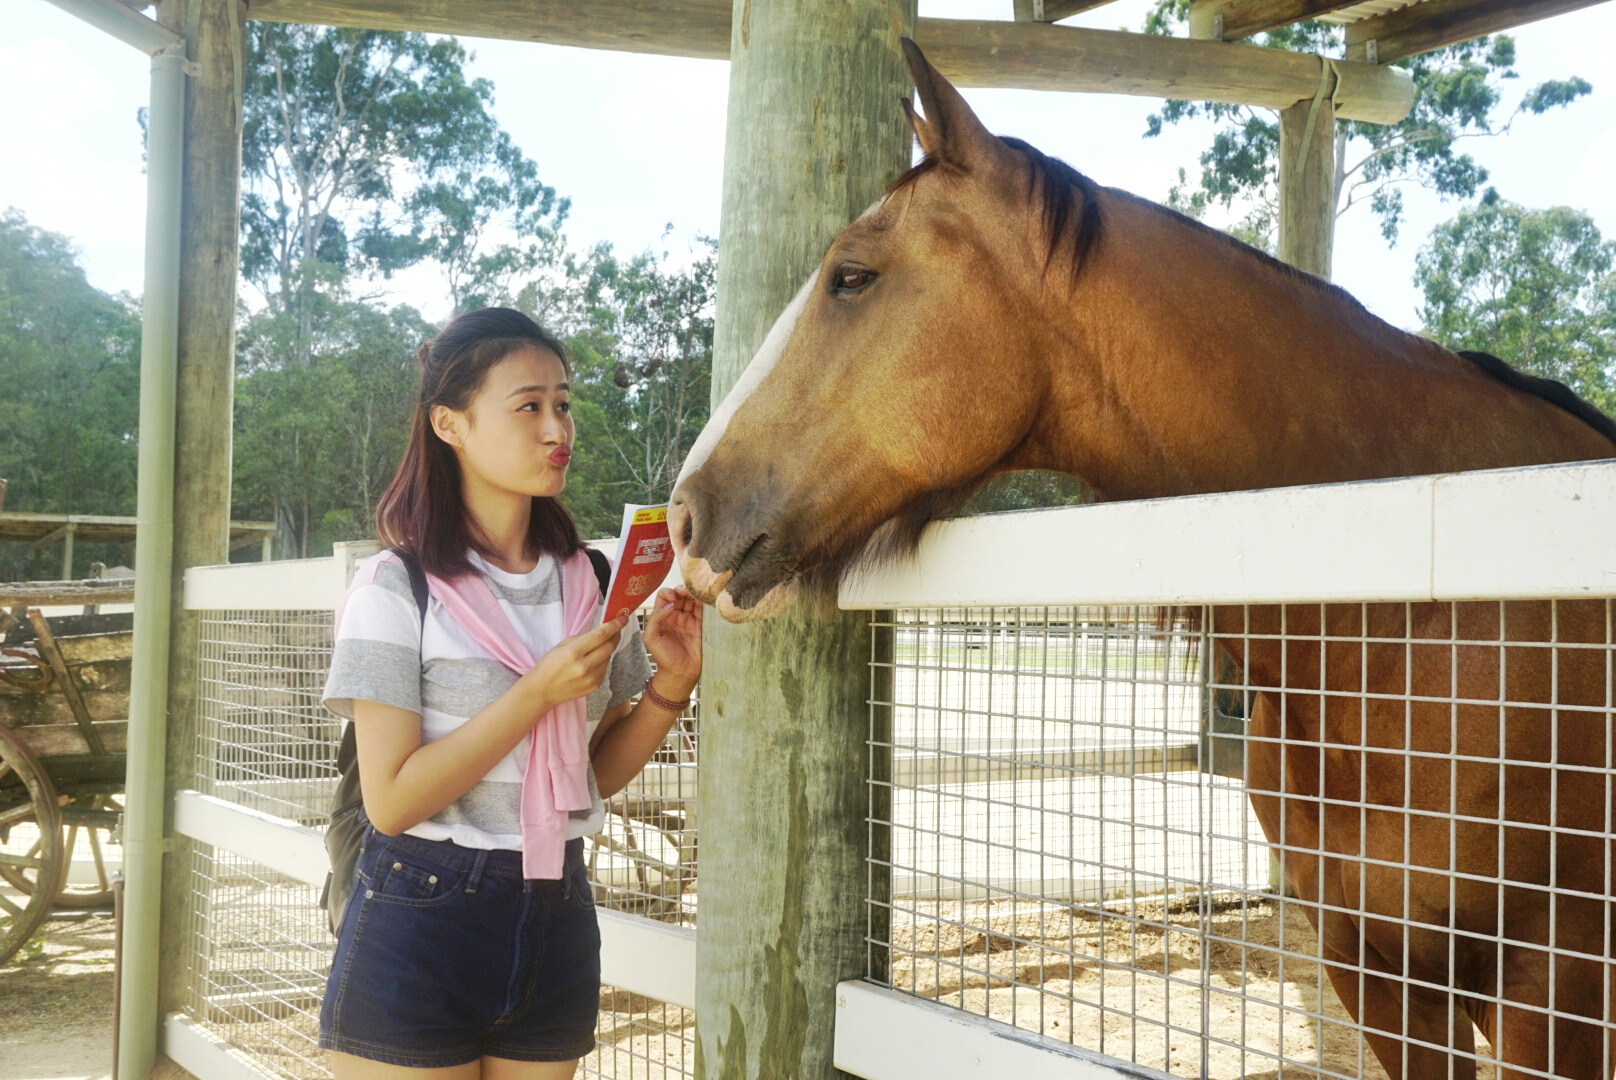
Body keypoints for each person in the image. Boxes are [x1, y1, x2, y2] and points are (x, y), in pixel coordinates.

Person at [318, 307, 703, 1079]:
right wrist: (533, 695)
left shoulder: (590, 580)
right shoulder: (396, 587)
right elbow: (391, 802)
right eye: (528, 406)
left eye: (563, 403)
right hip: (421, 908)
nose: (557, 428)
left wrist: (671, 685)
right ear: (450, 425)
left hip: (557, 906)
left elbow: (580, 780)